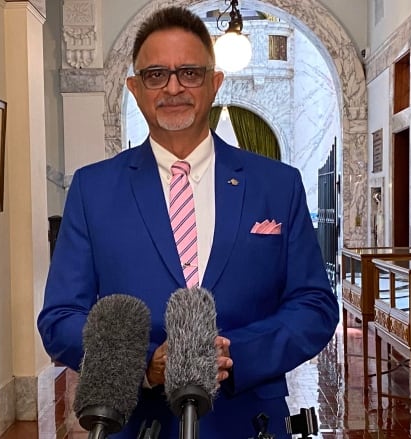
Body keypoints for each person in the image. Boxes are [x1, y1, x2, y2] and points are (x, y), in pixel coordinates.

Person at [37, 6, 338, 439]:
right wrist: (144, 363)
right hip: (139, 423)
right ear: (135, 89)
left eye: (190, 73)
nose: (173, 87)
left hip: (250, 420)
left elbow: (314, 305)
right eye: (156, 74)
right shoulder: (93, 190)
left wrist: (235, 357)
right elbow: (60, 318)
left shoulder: (277, 185)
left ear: (214, 83)